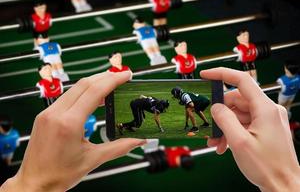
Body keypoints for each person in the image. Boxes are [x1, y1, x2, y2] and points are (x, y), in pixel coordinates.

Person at [1, 68, 300, 192]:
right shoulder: (165, 102)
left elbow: (183, 111)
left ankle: (128, 125)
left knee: (175, 117)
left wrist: (30, 186)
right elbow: (167, 112)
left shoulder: (172, 100)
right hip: (143, 110)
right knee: (143, 119)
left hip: (162, 108)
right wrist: (286, 182)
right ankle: (127, 125)